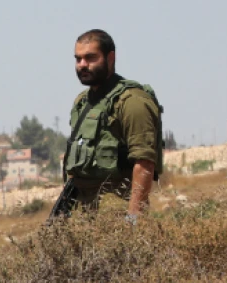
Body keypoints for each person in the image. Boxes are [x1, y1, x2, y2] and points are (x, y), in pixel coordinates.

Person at [52, 29, 163, 221]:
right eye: (78, 59)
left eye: (90, 58)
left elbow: (144, 162)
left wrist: (134, 218)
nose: (82, 65)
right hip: (83, 212)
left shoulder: (132, 101)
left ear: (110, 57)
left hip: (115, 212)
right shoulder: (82, 102)